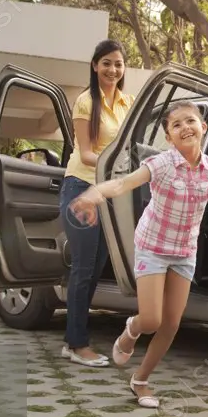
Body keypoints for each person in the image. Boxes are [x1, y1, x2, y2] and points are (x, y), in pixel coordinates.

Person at [69, 101, 208, 408]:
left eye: (191, 121)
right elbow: (123, 182)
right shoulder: (161, 164)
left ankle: (141, 380)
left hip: (184, 251)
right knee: (151, 318)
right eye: (176, 125)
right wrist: (94, 194)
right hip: (152, 246)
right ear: (169, 138)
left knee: (171, 324)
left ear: (204, 128)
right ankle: (131, 330)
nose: (185, 127)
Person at [58, 39, 134, 367]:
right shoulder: (86, 101)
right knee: (84, 269)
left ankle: (74, 340)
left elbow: (132, 147)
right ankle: (77, 345)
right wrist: (117, 163)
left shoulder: (127, 103)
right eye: (106, 63)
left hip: (107, 194)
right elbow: (87, 152)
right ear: (94, 65)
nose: (112, 69)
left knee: (95, 269)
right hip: (80, 189)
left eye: (117, 64)